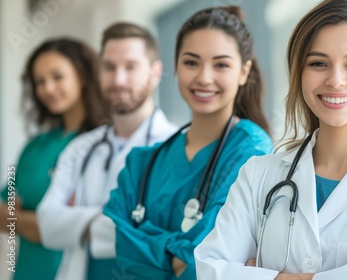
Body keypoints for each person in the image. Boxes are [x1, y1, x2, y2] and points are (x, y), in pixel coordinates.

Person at [194, 0, 347, 279]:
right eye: (318, 63)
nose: (335, 80)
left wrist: (268, 276)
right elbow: (210, 269)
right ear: (299, 73)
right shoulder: (258, 175)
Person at [102, 6, 273, 280]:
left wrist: (153, 248)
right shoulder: (141, 163)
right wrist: (178, 258)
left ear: (243, 72)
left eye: (221, 65)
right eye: (191, 62)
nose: (204, 77)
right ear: (176, 66)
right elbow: (124, 252)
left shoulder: (251, 150)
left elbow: (207, 259)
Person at [36, 23, 178, 280]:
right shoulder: (81, 147)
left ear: (155, 72)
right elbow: (46, 223)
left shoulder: (174, 147)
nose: (118, 79)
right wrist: (115, 219)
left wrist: (75, 221)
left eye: (130, 66)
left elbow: (160, 229)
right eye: (109, 67)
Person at [0, 38, 107, 280]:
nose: (48, 88)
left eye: (57, 77)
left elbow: (93, 226)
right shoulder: (35, 146)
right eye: (40, 81)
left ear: (82, 76)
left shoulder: (102, 145)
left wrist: (18, 219)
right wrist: (41, 223)